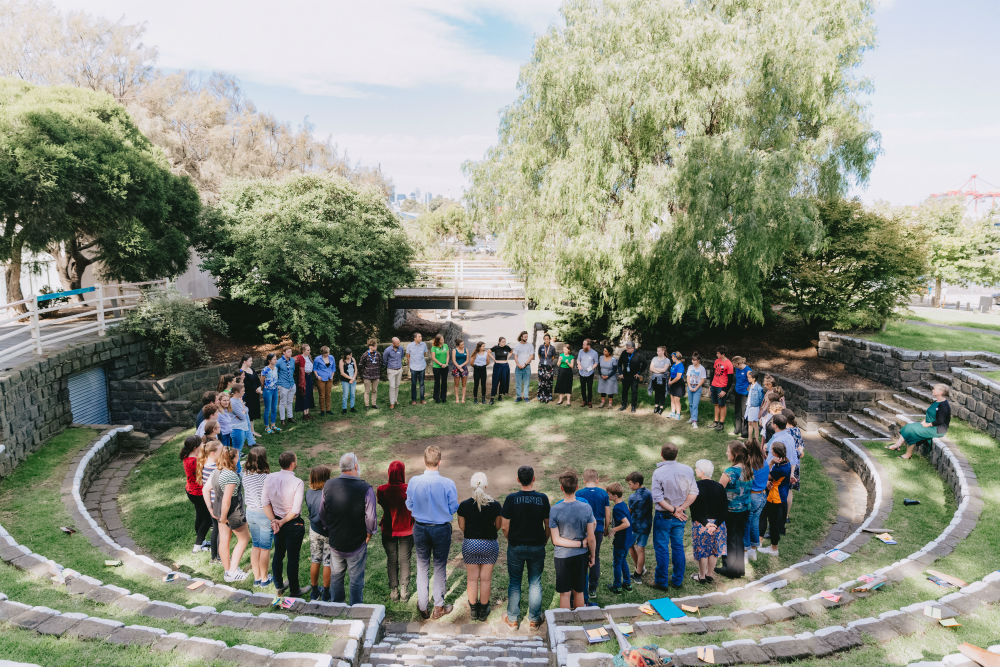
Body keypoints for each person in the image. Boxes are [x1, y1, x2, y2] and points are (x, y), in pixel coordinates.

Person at [406, 445, 459, 619]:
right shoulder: (448, 483)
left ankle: (423, 605)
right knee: (439, 566)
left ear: (424, 460)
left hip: (420, 528)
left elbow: (409, 505)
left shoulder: (414, 481)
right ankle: (438, 606)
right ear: (440, 462)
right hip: (441, 529)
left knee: (422, 566)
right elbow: (453, 508)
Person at [321, 452, 377, 605]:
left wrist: (329, 530)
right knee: (356, 579)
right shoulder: (366, 488)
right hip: (356, 543)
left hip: (335, 541)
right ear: (356, 467)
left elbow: (322, 513)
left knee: (336, 576)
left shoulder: (328, 485)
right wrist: (369, 534)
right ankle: (355, 608)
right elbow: (371, 518)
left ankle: (336, 605)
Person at [501, 465, 550, 631]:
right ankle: (534, 619)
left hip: (516, 546)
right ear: (534, 479)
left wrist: (510, 539)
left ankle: (513, 619)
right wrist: (546, 538)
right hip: (537, 545)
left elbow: (504, 526)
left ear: (518, 480)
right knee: (535, 582)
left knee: (515, 582)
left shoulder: (511, 499)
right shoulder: (542, 498)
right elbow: (547, 523)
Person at [650, 443, 698, 590]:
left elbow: (657, 497)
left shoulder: (658, 473)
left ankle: (661, 581)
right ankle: (677, 581)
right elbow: (694, 492)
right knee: (678, 547)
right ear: (676, 455)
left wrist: (674, 509)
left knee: (662, 547)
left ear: (661, 454)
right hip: (680, 515)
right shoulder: (687, 470)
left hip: (665, 515)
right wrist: (681, 508)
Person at [457, 472, 503, 621]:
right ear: (486, 486)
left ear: (471, 486)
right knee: (485, 579)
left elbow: (462, 527)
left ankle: (473, 610)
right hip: (489, 544)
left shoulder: (464, 506)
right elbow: (498, 526)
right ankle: (484, 610)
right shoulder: (495, 505)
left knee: (472, 579)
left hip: (470, 543)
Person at [549, 470, 596, 609]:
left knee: (564, 593)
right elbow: (591, 537)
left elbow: (556, 540)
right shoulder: (586, 508)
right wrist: (591, 553)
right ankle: (579, 624)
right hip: (581, 556)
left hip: (562, 556)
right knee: (579, 591)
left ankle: (565, 625)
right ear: (577, 487)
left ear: (561, 488)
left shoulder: (555, 509)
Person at [262, 451, 305, 597]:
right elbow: (295, 510)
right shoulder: (298, 482)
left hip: (276, 521)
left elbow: (265, 503)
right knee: (293, 558)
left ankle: (279, 585)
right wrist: (280, 522)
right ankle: (295, 590)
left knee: (278, 554)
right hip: (292, 523)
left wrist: (274, 520)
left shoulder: (269, 478)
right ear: (293, 463)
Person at [377, 460, 414, 602]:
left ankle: (394, 590)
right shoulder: (409, 489)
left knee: (392, 559)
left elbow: (381, 503)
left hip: (389, 529)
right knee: (405, 559)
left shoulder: (382, 489)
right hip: (406, 529)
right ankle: (404, 590)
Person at [715, 441, 751, 579]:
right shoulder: (748, 468)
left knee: (729, 539)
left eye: (727, 451)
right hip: (745, 509)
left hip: (731, 510)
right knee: (739, 538)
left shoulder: (729, 472)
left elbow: (718, 491)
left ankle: (729, 569)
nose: (726, 453)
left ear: (734, 454)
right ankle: (739, 569)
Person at [214, 447, 251, 582]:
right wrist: (224, 517)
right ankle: (233, 572)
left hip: (218, 509)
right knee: (244, 539)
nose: (238, 459)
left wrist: (213, 509)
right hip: (232, 512)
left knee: (224, 541)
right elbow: (227, 500)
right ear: (233, 459)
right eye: (237, 457)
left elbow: (207, 489)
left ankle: (227, 570)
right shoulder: (230, 475)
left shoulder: (217, 471)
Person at [889, 383, 951, 460]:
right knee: (909, 426)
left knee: (912, 431)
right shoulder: (936, 402)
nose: (932, 390)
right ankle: (897, 444)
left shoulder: (944, 405)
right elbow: (930, 414)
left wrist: (928, 425)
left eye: (934, 389)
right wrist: (924, 421)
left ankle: (908, 454)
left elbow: (940, 421)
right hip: (929, 425)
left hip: (937, 429)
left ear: (941, 392)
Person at [576, 469, 610, 604]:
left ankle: (582, 586)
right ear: (598, 480)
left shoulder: (579, 493)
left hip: (583, 530)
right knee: (595, 555)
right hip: (599, 529)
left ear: (583, 480)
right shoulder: (603, 494)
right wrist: (606, 528)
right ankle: (593, 588)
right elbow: (608, 514)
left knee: (583, 556)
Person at [690, 459, 727, 583]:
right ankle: (710, 574)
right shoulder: (720, 487)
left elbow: (694, 510)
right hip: (718, 525)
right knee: (714, 550)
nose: (695, 470)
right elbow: (724, 510)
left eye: (696, 468)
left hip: (701, 524)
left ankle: (701, 576)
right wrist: (715, 525)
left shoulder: (695, 486)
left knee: (703, 551)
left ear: (701, 471)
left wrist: (706, 524)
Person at [243, 446, 273, 589]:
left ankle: (257, 578)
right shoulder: (266, 477)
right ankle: (265, 579)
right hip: (264, 513)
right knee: (265, 547)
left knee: (256, 545)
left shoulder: (245, 474)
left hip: (250, 512)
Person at [758, 442, 791, 557]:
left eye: (771, 450)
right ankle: (762, 542)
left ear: (776, 453)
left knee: (773, 523)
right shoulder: (786, 462)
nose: (770, 451)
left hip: (775, 498)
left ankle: (773, 549)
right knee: (767, 518)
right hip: (779, 496)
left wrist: (770, 463)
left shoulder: (779, 468)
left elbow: (765, 475)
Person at [306, 464, 332, 601]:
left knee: (315, 559)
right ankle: (327, 592)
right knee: (327, 562)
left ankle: (314, 591)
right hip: (328, 533)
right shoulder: (328, 495)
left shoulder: (309, 493)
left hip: (314, 530)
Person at [181, 436, 211, 554]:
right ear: (195, 447)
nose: (203, 445)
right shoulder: (195, 461)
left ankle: (201, 541)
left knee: (200, 515)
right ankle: (197, 545)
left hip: (191, 491)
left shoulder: (187, 456)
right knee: (208, 519)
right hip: (199, 493)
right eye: (201, 444)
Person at [605, 482, 634, 594]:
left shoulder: (617, 508)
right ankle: (627, 583)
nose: (608, 496)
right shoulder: (623, 505)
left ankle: (617, 586)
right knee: (623, 561)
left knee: (617, 563)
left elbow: (626, 523)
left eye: (609, 494)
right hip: (627, 539)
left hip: (621, 540)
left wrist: (613, 530)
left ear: (615, 496)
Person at [197, 440, 222, 562]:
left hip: (211, 502)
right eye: (220, 451)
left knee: (216, 530)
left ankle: (214, 556)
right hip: (216, 502)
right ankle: (217, 556)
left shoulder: (205, 463)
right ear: (213, 453)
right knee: (219, 531)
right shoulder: (214, 468)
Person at [625, 471, 652, 580]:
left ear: (637, 484)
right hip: (646, 525)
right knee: (641, 549)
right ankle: (640, 571)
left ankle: (638, 570)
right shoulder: (648, 493)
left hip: (635, 526)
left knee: (630, 546)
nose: (629, 486)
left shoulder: (633, 497)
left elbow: (629, 512)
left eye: (630, 484)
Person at [744, 440, 767, 562]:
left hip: (753, 497)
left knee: (747, 523)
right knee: (755, 522)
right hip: (763, 496)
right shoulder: (764, 462)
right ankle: (753, 550)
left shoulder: (750, 465)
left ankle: (746, 552)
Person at [710, 346, 734, 431]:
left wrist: (725, 390)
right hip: (714, 386)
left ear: (722, 354)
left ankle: (721, 423)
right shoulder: (716, 361)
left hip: (722, 387)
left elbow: (730, 380)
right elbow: (713, 373)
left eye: (718, 353)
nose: (716, 355)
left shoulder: (729, 364)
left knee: (722, 405)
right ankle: (715, 421)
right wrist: (711, 385)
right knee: (716, 404)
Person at [618, 342, 643, 413]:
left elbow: (644, 364)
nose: (626, 349)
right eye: (626, 348)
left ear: (633, 348)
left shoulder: (638, 354)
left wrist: (639, 373)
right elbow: (619, 364)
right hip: (625, 376)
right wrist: (620, 373)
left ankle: (633, 406)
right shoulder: (624, 353)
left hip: (634, 377)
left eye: (628, 348)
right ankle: (623, 405)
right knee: (624, 391)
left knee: (634, 391)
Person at [237, 355, 261, 429]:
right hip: (247, 396)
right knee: (248, 414)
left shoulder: (252, 369)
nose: (252, 362)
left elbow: (257, 381)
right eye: (250, 361)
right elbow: (243, 385)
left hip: (255, 395)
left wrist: (259, 387)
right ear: (244, 361)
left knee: (253, 415)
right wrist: (255, 389)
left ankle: (252, 430)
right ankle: (249, 432)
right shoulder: (240, 372)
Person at [228, 384, 250, 465]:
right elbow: (242, 416)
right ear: (237, 392)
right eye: (242, 391)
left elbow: (247, 409)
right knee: (236, 451)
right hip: (237, 429)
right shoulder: (233, 402)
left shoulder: (239, 400)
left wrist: (243, 410)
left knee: (239, 450)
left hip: (242, 427)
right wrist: (243, 412)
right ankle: (236, 468)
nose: (244, 392)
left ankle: (237, 468)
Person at [275, 347, 297, 427]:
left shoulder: (292, 360)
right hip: (283, 385)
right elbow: (275, 373)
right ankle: (282, 419)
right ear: (284, 352)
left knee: (290, 401)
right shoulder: (279, 362)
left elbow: (293, 370)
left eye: (291, 352)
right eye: (288, 352)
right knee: (282, 402)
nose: (290, 353)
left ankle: (290, 417)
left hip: (291, 384)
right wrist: (278, 384)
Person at [313, 346, 337, 416]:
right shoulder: (317, 359)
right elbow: (314, 369)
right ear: (323, 353)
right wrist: (317, 376)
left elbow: (333, 368)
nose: (328, 354)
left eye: (328, 352)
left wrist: (332, 375)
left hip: (329, 379)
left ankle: (328, 410)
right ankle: (322, 410)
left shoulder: (331, 357)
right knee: (322, 395)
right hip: (321, 379)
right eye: (326, 353)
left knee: (328, 395)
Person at [359, 338, 382, 410]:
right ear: (370, 346)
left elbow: (380, 363)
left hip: (376, 376)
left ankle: (374, 404)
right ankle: (367, 405)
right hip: (367, 376)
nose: (376, 347)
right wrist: (364, 374)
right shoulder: (365, 355)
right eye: (375, 346)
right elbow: (360, 365)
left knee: (375, 390)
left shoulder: (378, 354)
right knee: (367, 391)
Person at [406, 333, 429, 405]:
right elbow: (408, 356)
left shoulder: (424, 344)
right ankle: (414, 400)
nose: (421, 338)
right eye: (419, 337)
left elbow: (425, 354)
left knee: (422, 384)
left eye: (421, 336)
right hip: (413, 367)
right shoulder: (409, 345)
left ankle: (422, 399)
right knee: (413, 384)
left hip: (422, 366)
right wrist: (410, 365)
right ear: (415, 338)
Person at [686, 352, 707, 428]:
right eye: (692, 360)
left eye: (694, 360)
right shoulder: (690, 367)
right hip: (690, 387)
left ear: (698, 360)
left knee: (695, 405)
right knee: (691, 404)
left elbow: (702, 380)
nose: (693, 361)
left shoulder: (702, 368)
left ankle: (694, 421)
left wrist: (696, 388)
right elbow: (688, 377)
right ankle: (692, 418)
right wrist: (690, 387)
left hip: (697, 388)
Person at [512, 331, 535, 402]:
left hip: (527, 366)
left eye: (527, 337)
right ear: (521, 337)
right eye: (525, 337)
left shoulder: (530, 345)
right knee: (518, 383)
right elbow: (515, 356)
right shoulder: (517, 346)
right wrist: (518, 364)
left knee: (526, 383)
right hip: (518, 367)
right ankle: (519, 397)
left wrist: (525, 364)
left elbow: (531, 356)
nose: (526, 338)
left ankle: (526, 397)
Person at [577, 339, 599, 408]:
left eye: (584, 344)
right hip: (581, 373)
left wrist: (590, 369)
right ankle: (584, 401)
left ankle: (589, 401)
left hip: (590, 374)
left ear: (588, 345)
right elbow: (578, 360)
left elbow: (596, 363)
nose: (582, 346)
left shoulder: (594, 353)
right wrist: (579, 365)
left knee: (589, 388)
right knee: (583, 388)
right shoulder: (581, 351)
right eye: (583, 344)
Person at [260, 354, 280, 434]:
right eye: (274, 359)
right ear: (269, 360)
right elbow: (262, 381)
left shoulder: (276, 368)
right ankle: (266, 427)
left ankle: (273, 425)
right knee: (267, 409)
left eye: (276, 359)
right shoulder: (265, 370)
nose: (276, 360)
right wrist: (264, 389)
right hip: (268, 391)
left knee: (274, 408)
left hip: (275, 390)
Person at [732, 356, 751, 437]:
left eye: (735, 364)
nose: (734, 366)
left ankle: (744, 434)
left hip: (744, 394)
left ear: (739, 363)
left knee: (744, 414)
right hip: (737, 392)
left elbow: (752, 382)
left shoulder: (748, 370)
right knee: (737, 412)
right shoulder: (737, 369)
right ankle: (737, 430)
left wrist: (748, 391)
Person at [489, 337, 512, 404]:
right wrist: (494, 359)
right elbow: (489, 352)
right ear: (499, 342)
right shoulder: (496, 347)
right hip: (497, 366)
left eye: (505, 341)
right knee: (495, 382)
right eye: (502, 341)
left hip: (505, 366)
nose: (504, 343)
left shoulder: (507, 347)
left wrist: (507, 358)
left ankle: (500, 396)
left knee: (503, 381)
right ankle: (492, 398)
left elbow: (511, 352)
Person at [294, 344, 314, 420]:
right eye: (308, 350)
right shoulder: (299, 358)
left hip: (309, 377)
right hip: (303, 377)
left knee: (309, 394)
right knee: (304, 394)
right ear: (303, 351)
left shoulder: (309, 357)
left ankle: (308, 413)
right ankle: (304, 414)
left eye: (309, 350)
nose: (309, 351)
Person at [384, 337, 405, 410]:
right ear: (393, 343)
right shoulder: (387, 350)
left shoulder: (401, 349)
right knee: (392, 386)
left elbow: (402, 356)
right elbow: (385, 360)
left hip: (399, 370)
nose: (399, 344)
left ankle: (395, 400)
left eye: (399, 343)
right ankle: (391, 403)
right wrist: (391, 366)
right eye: (397, 343)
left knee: (397, 385)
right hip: (391, 370)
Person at [536, 333, 558, 404]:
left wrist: (549, 362)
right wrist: (542, 361)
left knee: (548, 381)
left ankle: (548, 396)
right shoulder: (541, 347)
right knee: (542, 381)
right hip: (542, 366)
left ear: (549, 340)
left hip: (549, 366)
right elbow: (539, 355)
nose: (546, 340)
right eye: (545, 339)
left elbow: (554, 356)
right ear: (544, 340)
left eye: (547, 339)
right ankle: (541, 396)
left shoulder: (552, 348)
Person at [648, 346, 670, 415]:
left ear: (663, 351)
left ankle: (661, 407)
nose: (657, 352)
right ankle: (656, 406)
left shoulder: (667, 360)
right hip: (655, 378)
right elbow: (651, 368)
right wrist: (659, 371)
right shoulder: (654, 358)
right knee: (657, 392)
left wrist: (655, 370)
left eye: (659, 351)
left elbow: (664, 370)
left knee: (662, 393)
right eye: (657, 351)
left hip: (663, 379)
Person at [745, 370, 765, 445]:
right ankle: (749, 439)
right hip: (749, 407)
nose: (748, 379)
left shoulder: (759, 388)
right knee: (749, 423)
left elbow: (761, 400)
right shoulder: (750, 386)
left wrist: (759, 409)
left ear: (754, 378)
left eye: (749, 377)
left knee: (755, 424)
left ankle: (756, 440)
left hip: (755, 408)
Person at [430, 334, 449, 404]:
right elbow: (433, 358)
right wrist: (441, 364)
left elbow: (448, 356)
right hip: (437, 367)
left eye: (443, 339)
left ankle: (443, 397)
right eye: (442, 339)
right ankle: (436, 397)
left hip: (445, 367)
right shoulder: (434, 347)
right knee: (437, 382)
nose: (443, 340)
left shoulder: (446, 346)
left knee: (444, 382)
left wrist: (446, 364)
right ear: (438, 340)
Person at [450, 339, 470, 403]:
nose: (463, 345)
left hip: (464, 368)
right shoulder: (454, 350)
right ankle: (457, 398)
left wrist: (461, 366)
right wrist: (458, 367)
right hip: (456, 368)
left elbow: (467, 360)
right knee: (456, 384)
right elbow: (453, 360)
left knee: (464, 384)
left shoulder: (466, 350)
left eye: (463, 344)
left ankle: (463, 398)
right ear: (458, 345)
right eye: (461, 345)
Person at [667, 352, 685, 420]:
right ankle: (672, 412)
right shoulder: (674, 365)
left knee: (676, 400)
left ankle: (678, 414)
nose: (671, 358)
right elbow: (671, 374)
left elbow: (678, 377)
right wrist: (669, 380)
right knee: (672, 399)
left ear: (675, 357)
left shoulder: (680, 365)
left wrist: (671, 382)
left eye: (672, 357)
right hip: (672, 382)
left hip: (678, 383)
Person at [339, 349, 357, 414]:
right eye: (349, 355)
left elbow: (356, 369)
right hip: (345, 381)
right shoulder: (341, 361)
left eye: (351, 354)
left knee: (353, 394)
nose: (350, 356)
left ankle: (352, 407)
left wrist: (353, 378)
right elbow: (342, 373)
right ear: (346, 355)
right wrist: (350, 378)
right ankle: (344, 409)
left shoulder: (353, 359)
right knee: (345, 395)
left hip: (353, 380)